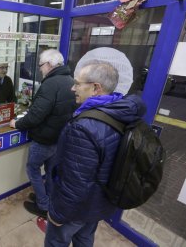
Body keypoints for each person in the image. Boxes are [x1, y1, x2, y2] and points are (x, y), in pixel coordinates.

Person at [45, 51, 146, 247]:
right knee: (84, 239)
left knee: (56, 242)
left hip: (77, 208)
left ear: (95, 88)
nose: (73, 88)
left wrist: (57, 214)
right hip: (100, 202)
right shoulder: (120, 111)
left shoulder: (84, 127)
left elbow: (75, 182)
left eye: (78, 83)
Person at [9, 49, 76, 218]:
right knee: (50, 170)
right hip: (59, 138)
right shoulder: (71, 81)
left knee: (33, 169)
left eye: (40, 65)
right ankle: (48, 198)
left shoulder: (50, 84)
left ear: (49, 64)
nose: (40, 69)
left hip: (44, 139)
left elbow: (35, 116)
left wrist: (17, 123)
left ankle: (43, 205)